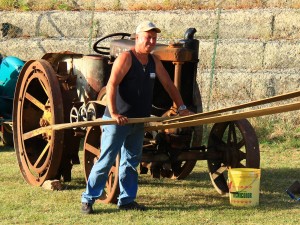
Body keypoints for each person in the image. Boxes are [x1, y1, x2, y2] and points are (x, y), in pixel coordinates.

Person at [81, 21, 192, 214]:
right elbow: (112, 84)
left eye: (154, 38)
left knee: (131, 162)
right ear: (137, 38)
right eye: (148, 37)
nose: (151, 41)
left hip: (138, 121)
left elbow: (169, 85)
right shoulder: (126, 58)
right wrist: (114, 113)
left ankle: (126, 200)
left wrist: (181, 107)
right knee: (106, 161)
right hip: (118, 121)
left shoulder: (153, 61)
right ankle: (88, 199)